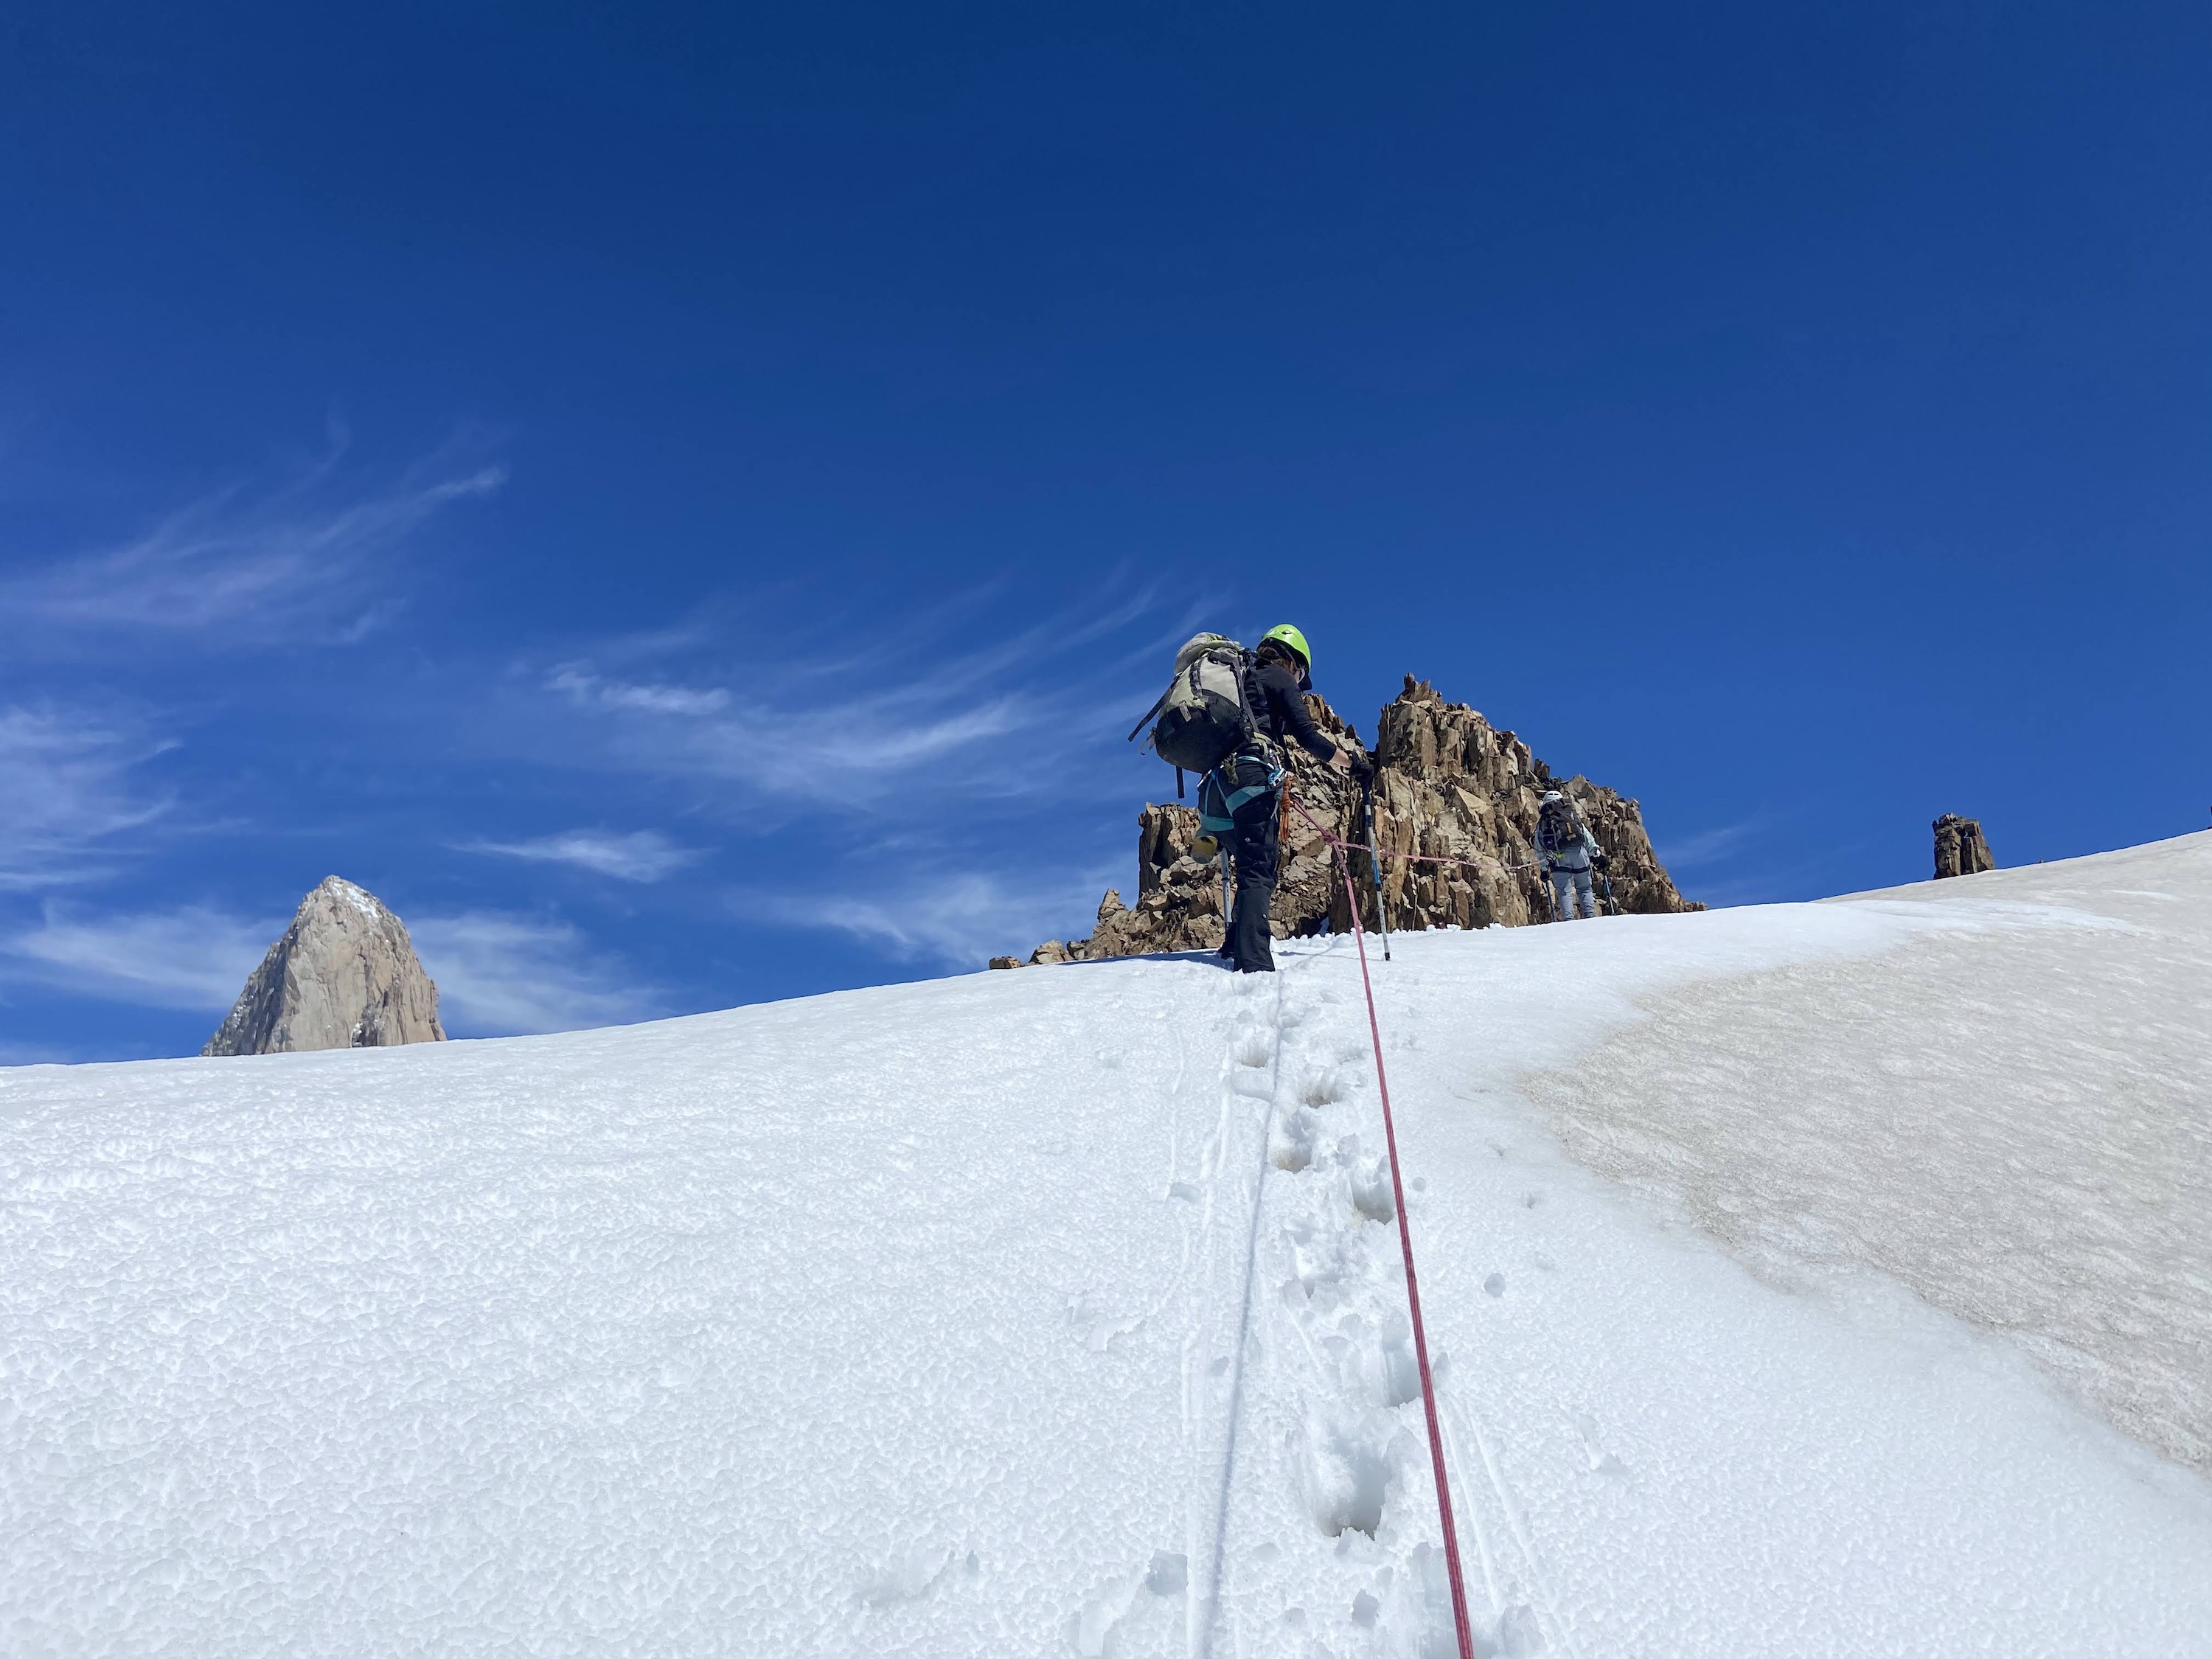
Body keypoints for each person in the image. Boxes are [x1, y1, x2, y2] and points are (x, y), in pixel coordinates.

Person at [1214, 625, 1370, 973]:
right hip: (1255, 776)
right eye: (1300, 672)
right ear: (1291, 661)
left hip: (1221, 786)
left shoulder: (1242, 680)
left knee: (1251, 861)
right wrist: (1353, 763)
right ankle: (1253, 960)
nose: (1299, 680)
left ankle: (1233, 942)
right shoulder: (1279, 678)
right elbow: (1309, 738)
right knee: (1259, 870)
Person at [1535, 789, 1604, 921]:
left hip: (1558, 858)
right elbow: (1585, 834)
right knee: (1584, 888)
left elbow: (1539, 847)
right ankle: (1590, 917)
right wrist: (1596, 853)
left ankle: (1569, 921)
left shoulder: (1544, 821)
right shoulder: (1570, 814)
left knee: (1564, 891)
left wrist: (1544, 870)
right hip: (1579, 853)